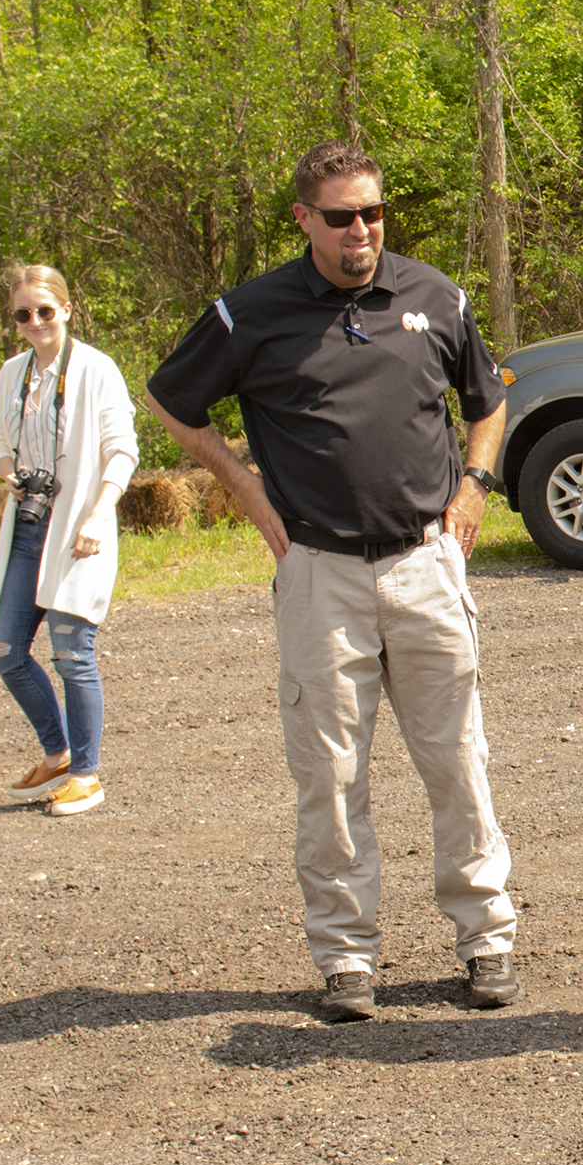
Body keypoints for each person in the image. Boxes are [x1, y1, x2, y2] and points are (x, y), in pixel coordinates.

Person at [146, 139, 520, 1022]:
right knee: (328, 771)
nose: (363, 230)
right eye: (343, 216)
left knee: (457, 759)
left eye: (375, 212)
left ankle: (487, 938)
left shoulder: (435, 296)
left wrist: (475, 488)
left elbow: (490, 399)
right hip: (319, 572)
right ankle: (348, 956)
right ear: (304, 220)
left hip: (426, 563)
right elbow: (170, 399)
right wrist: (239, 484)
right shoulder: (250, 313)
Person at [0, 264, 138, 818]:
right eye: (23, 314)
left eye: (45, 311)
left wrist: (98, 514)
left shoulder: (97, 369)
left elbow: (123, 449)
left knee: (73, 653)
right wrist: (10, 473)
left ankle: (88, 776)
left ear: (67, 310)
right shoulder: (11, 374)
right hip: (28, 525)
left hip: (78, 531)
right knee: (2, 649)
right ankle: (58, 753)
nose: (35, 322)